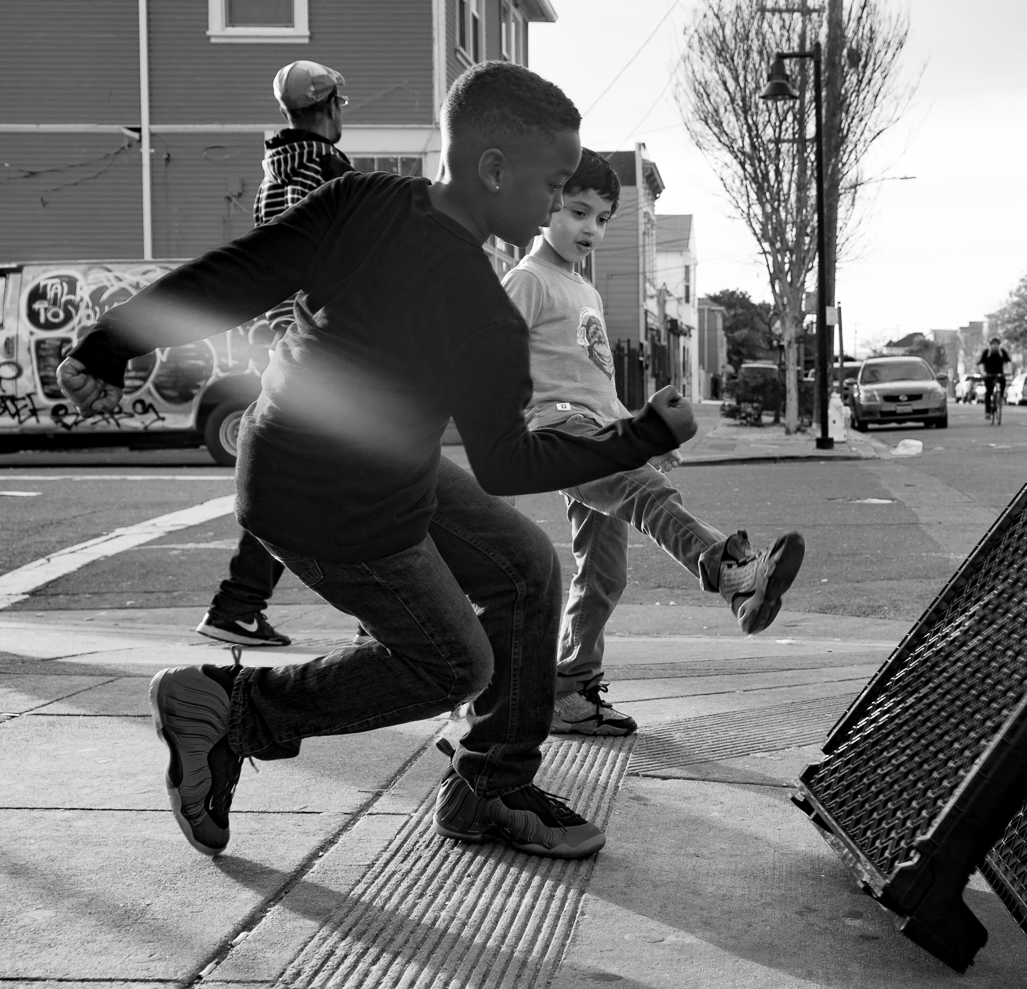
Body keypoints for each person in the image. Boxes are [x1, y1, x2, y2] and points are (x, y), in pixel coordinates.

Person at [57, 61, 696, 862]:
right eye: (552, 184)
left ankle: (488, 782)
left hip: (326, 463)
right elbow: (505, 461)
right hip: (335, 508)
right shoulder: (479, 305)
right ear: (494, 170)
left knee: (528, 568)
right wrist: (639, 437)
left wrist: (110, 344)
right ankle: (237, 707)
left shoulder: (367, 201)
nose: (551, 207)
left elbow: (242, 273)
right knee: (453, 661)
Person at [502, 149, 805, 737]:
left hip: (598, 430)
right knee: (649, 495)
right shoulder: (527, 281)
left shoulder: (582, 290)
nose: (590, 228)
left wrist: (641, 435)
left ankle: (570, 689)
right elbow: (495, 363)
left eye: (603, 218)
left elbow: (596, 382)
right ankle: (734, 570)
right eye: (577, 212)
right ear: (545, 209)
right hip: (558, 432)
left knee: (605, 573)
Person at [197, 60, 355, 648]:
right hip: (319, 345)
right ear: (331, 106)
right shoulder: (321, 174)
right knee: (365, 474)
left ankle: (238, 605)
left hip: (292, 342)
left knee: (306, 481)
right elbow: (319, 262)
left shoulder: (278, 173)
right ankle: (387, 618)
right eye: (342, 106)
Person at [978, 337, 1010, 421]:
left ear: (999, 345)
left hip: (999, 374)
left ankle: (1001, 397)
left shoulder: (1002, 352)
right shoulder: (986, 353)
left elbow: (1008, 362)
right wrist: (983, 372)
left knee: (1003, 381)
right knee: (988, 392)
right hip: (988, 375)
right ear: (990, 345)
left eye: (997, 344)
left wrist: (1008, 371)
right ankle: (988, 412)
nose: (995, 346)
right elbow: (981, 363)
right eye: (993, 344)